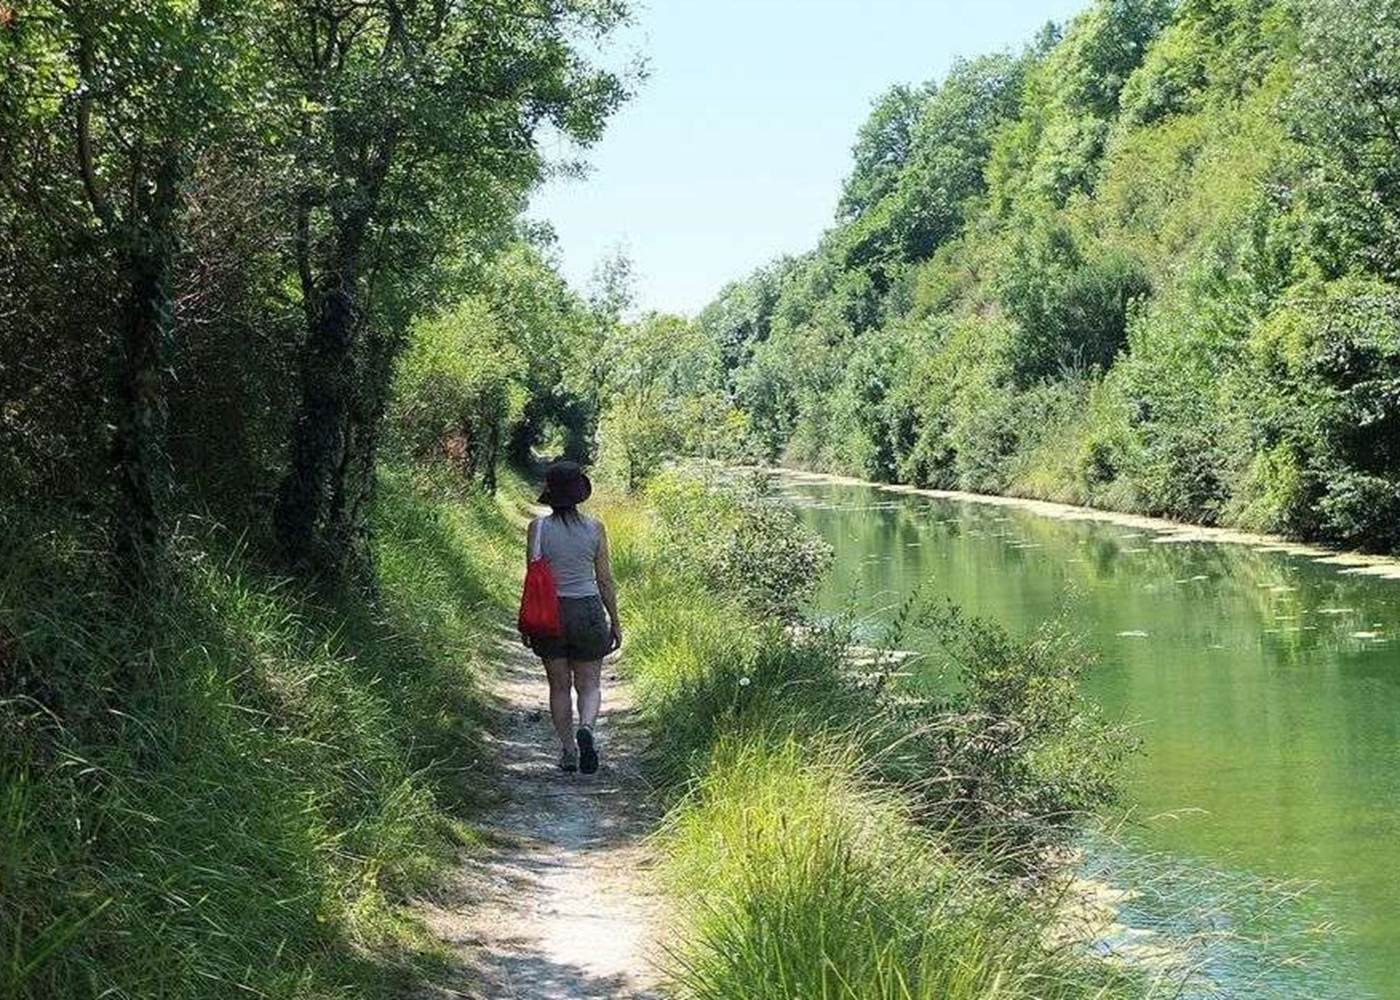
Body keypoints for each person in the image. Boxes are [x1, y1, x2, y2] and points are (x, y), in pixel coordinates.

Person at [523, 460, 621, 774]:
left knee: (559, 686)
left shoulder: (537, 529)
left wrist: (525, 619)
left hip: (549, 613)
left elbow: (532, 577)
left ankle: (567, 750)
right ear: (580, 494)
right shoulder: (595, 528)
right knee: (590, 684)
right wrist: (614, 620)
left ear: (550, 494)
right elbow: (604, 579)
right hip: (588, 610)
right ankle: (588, 729)